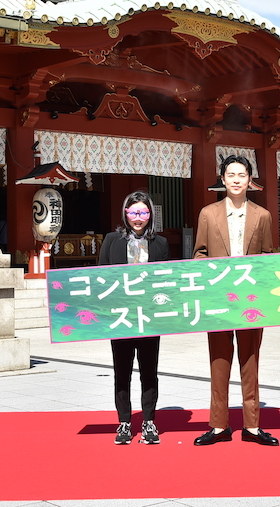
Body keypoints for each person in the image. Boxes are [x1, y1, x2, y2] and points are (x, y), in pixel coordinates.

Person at [192, 154, 279, 446]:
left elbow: (269, 255)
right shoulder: (208, 213)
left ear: (249, 179)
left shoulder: (262, 215)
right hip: (219, 296)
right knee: (219, 360)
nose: (237, 180)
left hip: (251, 298)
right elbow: (199, 253)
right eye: (231, 175)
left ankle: (252, 426)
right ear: (223, 178)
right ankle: (219, 426)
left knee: (250, 359)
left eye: (242, 175)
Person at [99, 190, 170, 445]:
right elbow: (101, 279)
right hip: (121, 317)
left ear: (150, 214)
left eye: (142, 212)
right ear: (125, 214)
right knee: (122, 372)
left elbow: (165, 282)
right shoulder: (111, 240)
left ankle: (149, 422)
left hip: (149, 317)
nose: (137, 218)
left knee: (149, 371)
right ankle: (125, 423)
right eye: (133, 212)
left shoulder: (160, 244)